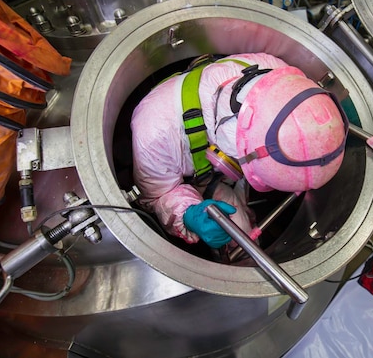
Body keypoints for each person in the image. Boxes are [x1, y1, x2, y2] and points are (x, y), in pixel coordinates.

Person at [131, 53, 348, 249]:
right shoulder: (155, 133)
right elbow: (158, 195)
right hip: (191, 162)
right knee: (238, 234)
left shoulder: (275, 71)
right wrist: (188, 214)